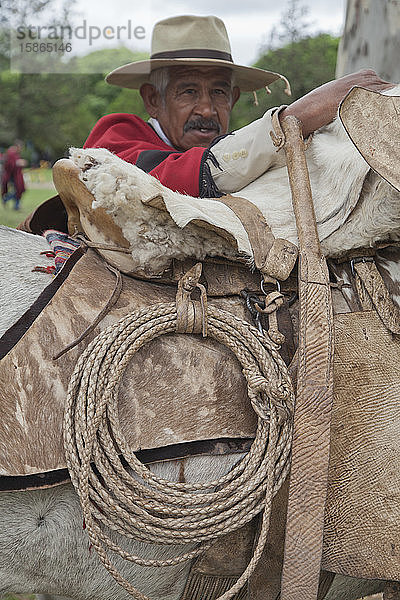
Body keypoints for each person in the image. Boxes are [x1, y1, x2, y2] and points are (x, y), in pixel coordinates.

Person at [84, 14, 393, 200]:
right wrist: (291, 119)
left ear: (232, 99)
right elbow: (155, 182)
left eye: (218, 92)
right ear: (153, 100)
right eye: (188, 91)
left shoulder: (248, 157)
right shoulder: (116, 138)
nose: (206, 110)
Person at [2, 140, 27, 211]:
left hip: (16, 175)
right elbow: (9, 164)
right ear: (17, 146)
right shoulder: (11, 152)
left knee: (20, 189)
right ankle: (8, 199)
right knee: (18, 189)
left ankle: (15, 204)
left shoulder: (15, 153)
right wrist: (18, 163)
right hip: (12, 175)